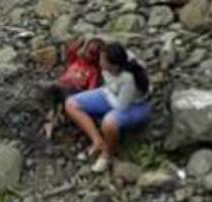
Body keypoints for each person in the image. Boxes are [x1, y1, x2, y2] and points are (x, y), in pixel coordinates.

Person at [65, 42, 151, 172]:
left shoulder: (128, 79)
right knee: (71, 104)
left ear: (114, 66)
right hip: (111, 92)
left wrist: (107, 92)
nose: (100, 62)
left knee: (109, 122)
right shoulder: (114, 59)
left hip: (133, 105)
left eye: (103, 61)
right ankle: (97, 141)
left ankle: (107, 154)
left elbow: (121, 107)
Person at [41, 37, 104, 139]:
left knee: (62, 89)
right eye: (88, 50)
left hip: (73, 92)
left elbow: (91, 92)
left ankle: (58, 116)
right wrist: (81, 42)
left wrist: (79, 85)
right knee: (52, 88)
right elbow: (70, 50)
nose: (88, 55)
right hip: (60, 86)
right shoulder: (76, 60)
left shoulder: (93, 71)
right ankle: (52, 116)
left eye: (93, 53)